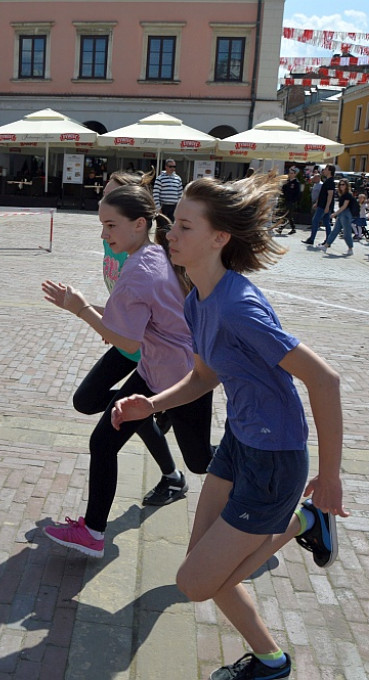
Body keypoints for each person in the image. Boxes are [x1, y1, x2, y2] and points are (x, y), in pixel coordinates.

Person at [112, 173, 347, 680]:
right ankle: (271, 661)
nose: (169, 234)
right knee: (207, 568)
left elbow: (325, 382)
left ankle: (307, 520)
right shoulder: (197, 299)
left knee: (197, 582)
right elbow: (203, 376)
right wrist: (150, 405)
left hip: (274, 459)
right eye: (172, 224)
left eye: (183, 226)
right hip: (240, 443)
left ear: (220, 238)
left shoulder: (239, 306)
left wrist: (330, 479)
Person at [40, 184, 215, 559]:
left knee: (201, 460)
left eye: (110, 226)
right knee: (104, 441)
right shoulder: (151, 254)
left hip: (180, 378)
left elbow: (127, 343)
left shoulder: (139, 270)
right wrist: (102, 310)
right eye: (102, 226)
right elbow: (139, 321)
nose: (104, 235)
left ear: (139, 224)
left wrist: (80, 308)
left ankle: (267, 475)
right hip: (160, 370)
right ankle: (93, 531)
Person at [319, 179, 355, 255]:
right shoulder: (342, 194)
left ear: (347, 185)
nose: (341, 186)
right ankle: (326, 245)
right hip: (341, 214)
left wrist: (335, 214)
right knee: (335, 230)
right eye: (340, 185)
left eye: (343, 185)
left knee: (347, 232)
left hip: (346, 214)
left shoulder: (348, 194)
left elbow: (344, 206)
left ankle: (350, 248)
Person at [303, 164, 334, 246]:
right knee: (326, 222)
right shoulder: (327, 180)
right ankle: (328, 241)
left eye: (326, 169)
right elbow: (322, 194)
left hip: (324, 206)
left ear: (329, 171)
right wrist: (317, 202)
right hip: (322, 205)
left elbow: (330, 194)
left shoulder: (330, 181)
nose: (324, 171)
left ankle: (312, 239)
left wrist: (327, 206)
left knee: (315, 220)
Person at [276, 166, 301, 236]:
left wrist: (294, 201)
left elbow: (298, 193)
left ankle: (281, 228)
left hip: (292, 201)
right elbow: (283, 190)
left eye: (292, 173)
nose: (290, 174)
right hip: (287, 200)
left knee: (287, 215)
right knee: (289, 215)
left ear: (295, 174)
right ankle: (293, 228)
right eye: (290, 173)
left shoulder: (296, 183)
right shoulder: (288, 182)